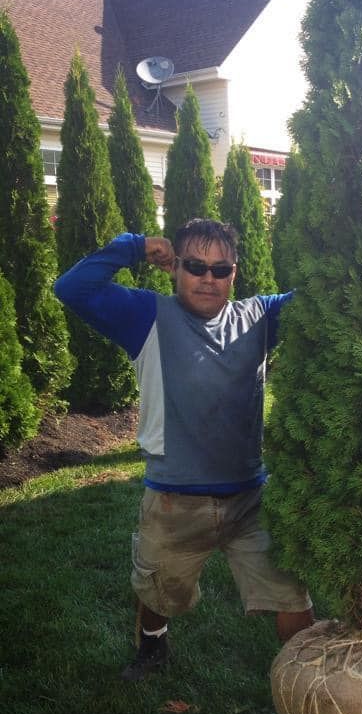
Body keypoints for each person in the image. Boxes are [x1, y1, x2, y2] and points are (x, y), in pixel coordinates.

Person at [54, 219, 313, 681]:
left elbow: (321, 295)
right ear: (174, 267)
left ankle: (309, 675)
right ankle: (153, 647)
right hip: (174, 500)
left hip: (250, 499)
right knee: (157, 591)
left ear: (234, 274)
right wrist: (135, 246)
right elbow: (72, 288)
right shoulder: (145, 316)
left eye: (220, 269)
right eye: (195, 266)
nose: (208, 278)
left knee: (292, 594)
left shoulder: (260, 317)